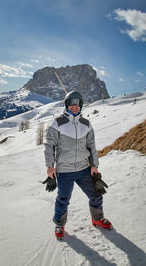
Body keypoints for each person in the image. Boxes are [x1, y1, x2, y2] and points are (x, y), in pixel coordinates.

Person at [44, 90, 112, 239]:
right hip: (64, 170)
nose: (74, 106)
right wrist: (50, 166)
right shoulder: (58, 122)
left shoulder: (86, 124)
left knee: (96, 194)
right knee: (63, 199)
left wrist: (94, 165)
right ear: (67, 104)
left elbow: (91, 147)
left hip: (83, 169)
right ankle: (59, 224)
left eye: (78, 103)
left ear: (81, 106)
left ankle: (97, 218)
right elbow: (50, 146)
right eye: (71, 103)